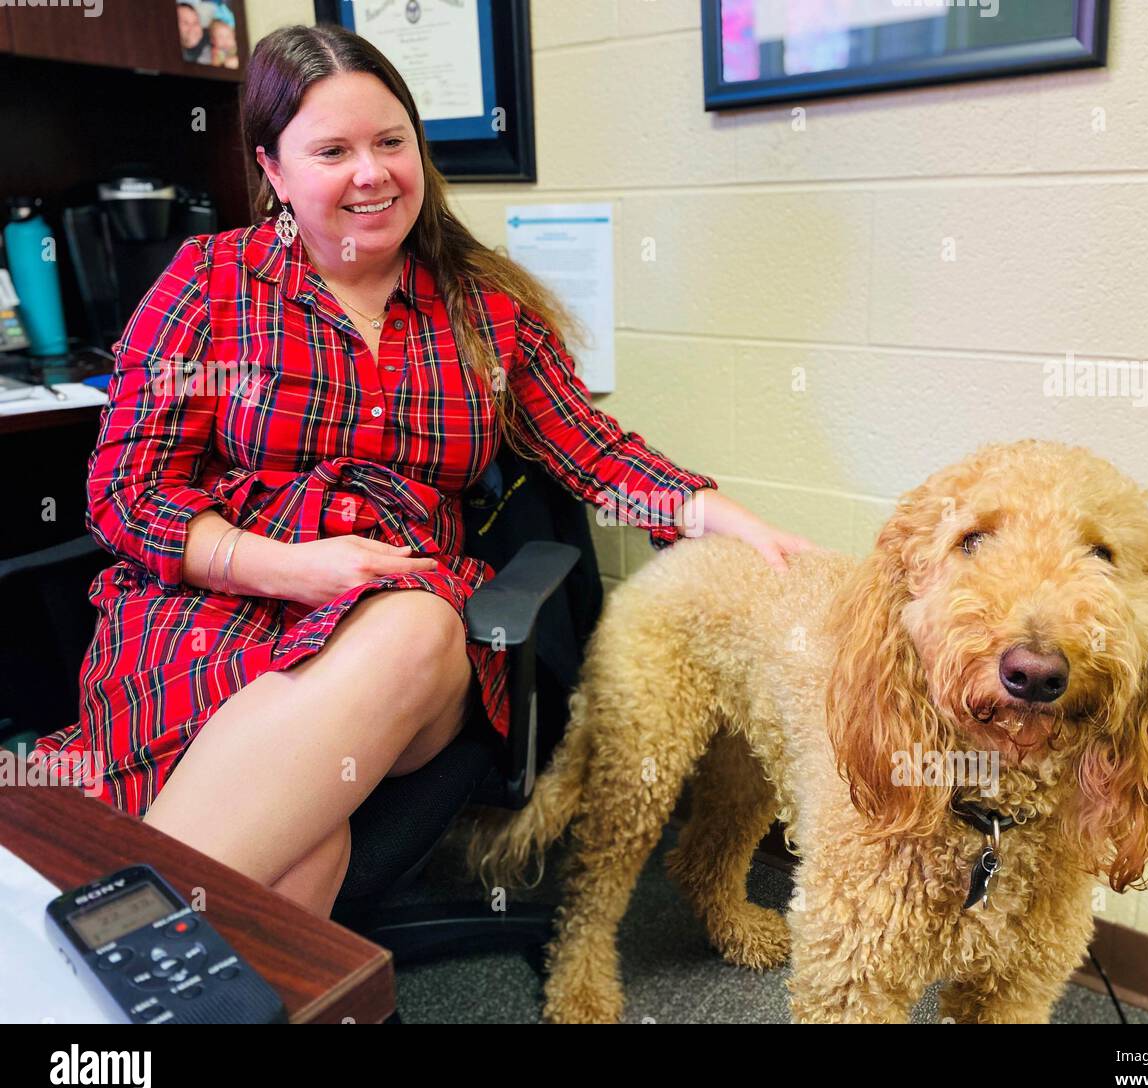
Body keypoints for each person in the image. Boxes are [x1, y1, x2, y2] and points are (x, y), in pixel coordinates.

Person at [27, 24, 817, 920]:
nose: (371, 172)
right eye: (333, 150)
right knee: (297, 856)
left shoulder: (485, 308)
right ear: (275, 171)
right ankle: (138, 979)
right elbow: (124, 494)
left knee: (414, 631)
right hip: (205, 613)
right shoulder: (210, 285)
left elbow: (591, 448)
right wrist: (285, 565)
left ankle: (107, 934)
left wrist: (720, 517)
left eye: (390, 141)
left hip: (396, 629)